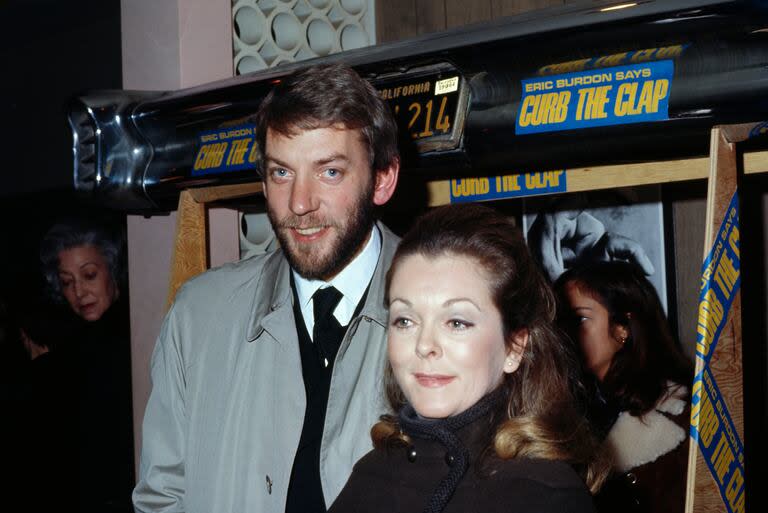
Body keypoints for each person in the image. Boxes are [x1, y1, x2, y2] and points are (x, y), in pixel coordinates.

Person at [133, 63, 400, 513]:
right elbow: (162, 499)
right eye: (281, 173)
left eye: (329, 172)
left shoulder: (457, 316)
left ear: (382, 179)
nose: (299, 203)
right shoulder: (197, 316)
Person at [329, 204, 608, 513]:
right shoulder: (372, 475)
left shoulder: (546, 495)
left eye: (457, 322)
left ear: (514, 348)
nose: (424, 346)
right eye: (405, 320)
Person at [554, 261, 693, 513]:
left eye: (579, 319)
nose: (563, 333)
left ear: (622, 329)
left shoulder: (684, 416)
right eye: (558, 321)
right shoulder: (563, 407)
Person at [40, 216, 135, 512]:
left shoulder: (135, 333)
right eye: (67, 282)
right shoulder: (71, 348)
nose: (79, 292)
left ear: (113, 271)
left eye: (89, 274)